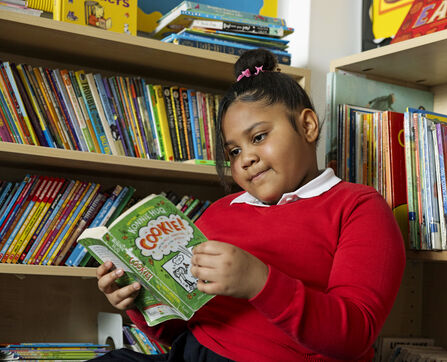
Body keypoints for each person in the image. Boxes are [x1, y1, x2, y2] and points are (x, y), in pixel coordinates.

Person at [94, 48, 406, 362]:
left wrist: (259, 282)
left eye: (258, 137)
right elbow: (180, 330)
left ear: (308, 126)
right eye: (233, 151)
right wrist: (139, 302)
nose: (246, 159)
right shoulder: (221, 212)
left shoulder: (358, 207)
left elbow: (354, 335)